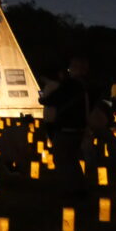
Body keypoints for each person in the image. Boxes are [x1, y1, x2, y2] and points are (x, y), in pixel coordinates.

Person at [40, 56, 91, 198]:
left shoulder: (70, 85)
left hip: (67, 127)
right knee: (73, 159)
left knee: (62, 159)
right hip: (79, 128)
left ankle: (71, 190)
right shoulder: (84, 85)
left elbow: (52, 99)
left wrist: (44, 99)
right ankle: (80, 188)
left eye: (71, 68)